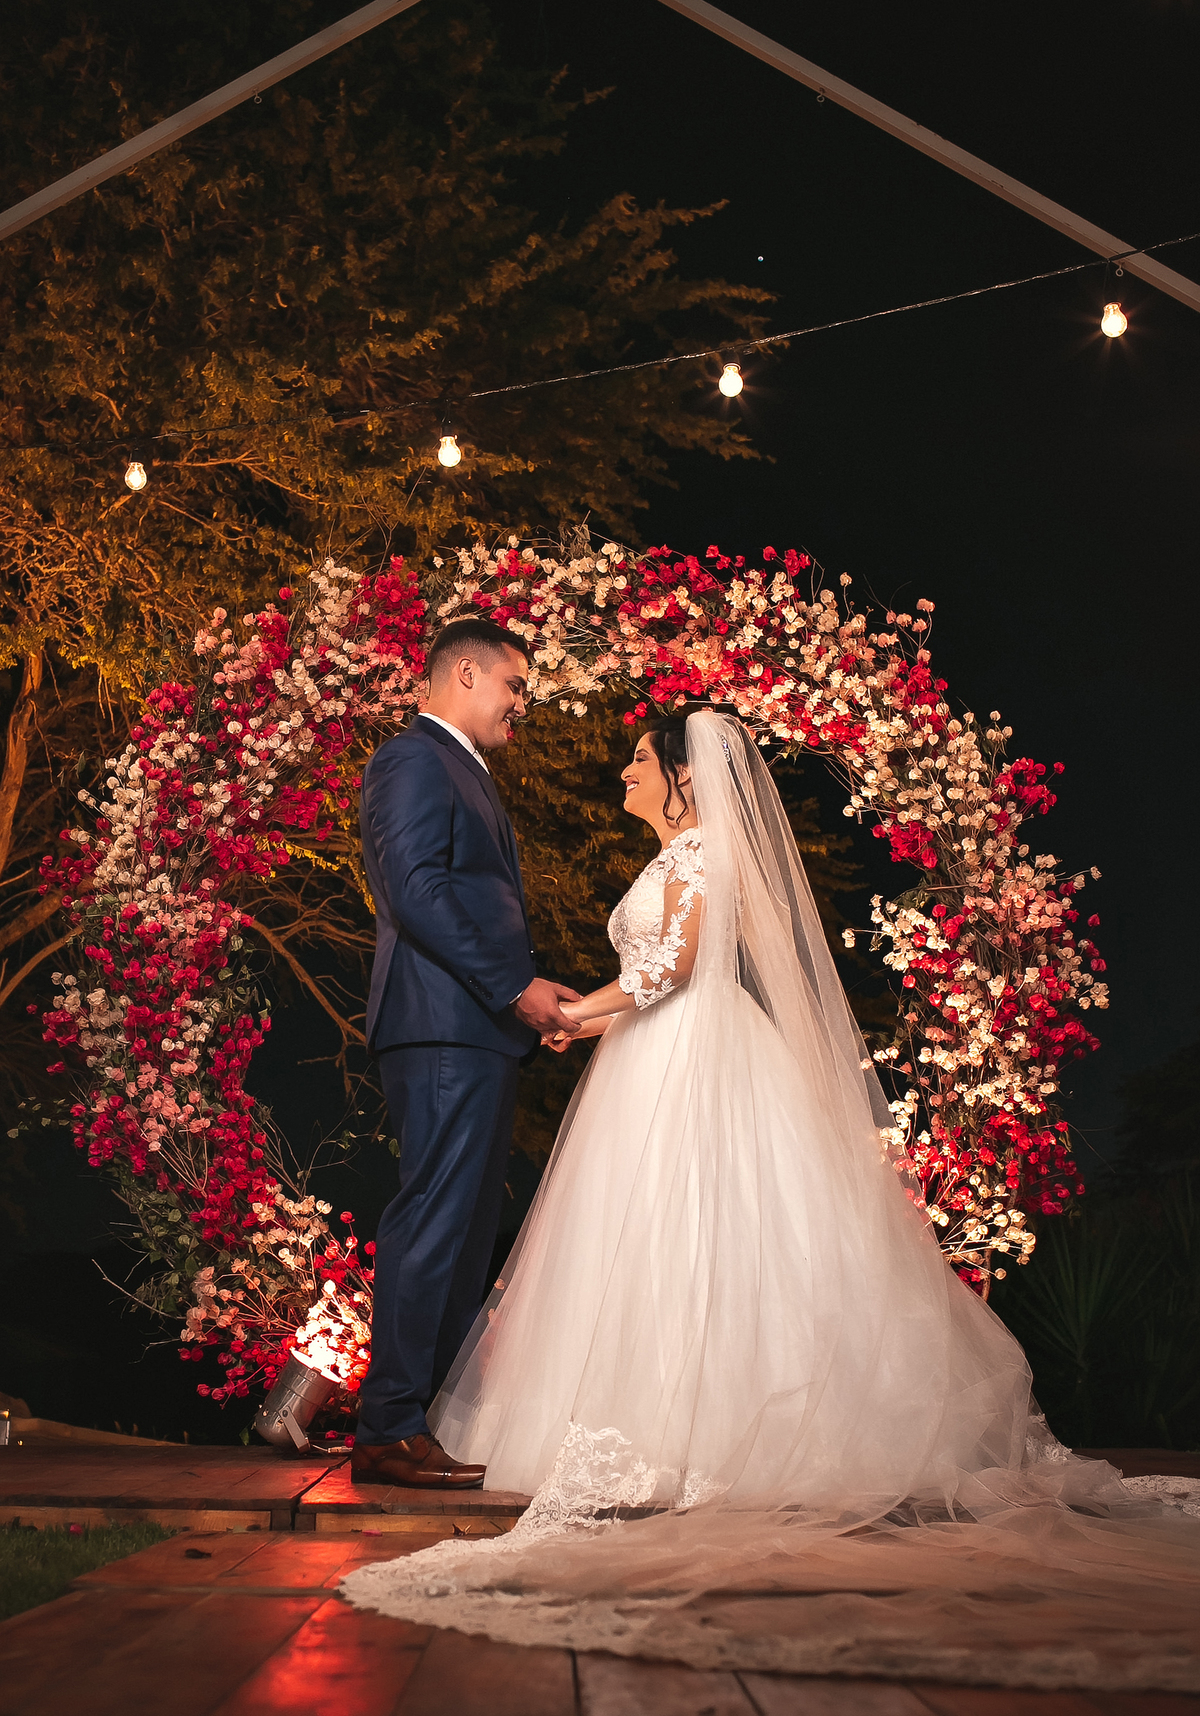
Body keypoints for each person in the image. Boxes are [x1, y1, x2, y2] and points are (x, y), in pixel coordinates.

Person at [343, 710, 1200, 1666]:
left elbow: (670, 969)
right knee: (646, 1244)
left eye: (639, 760)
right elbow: (658, 976)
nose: (623, 773)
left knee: (704, 1232)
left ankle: (703, 1433)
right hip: (651, 1055)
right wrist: (583, 1021)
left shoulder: (703, 852)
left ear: (684, 776)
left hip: (694, 1061)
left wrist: (575, 1011)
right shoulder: (678, 855)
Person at [352, 618, 581, 1490]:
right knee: (434, 1221)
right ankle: (388, 1428)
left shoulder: (463, 769)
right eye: (515, 686)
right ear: (467, 674)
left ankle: (425, 1423)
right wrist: (513, 986)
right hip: (445, 1025)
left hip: (477, 1028)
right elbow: (414, 890)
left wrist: (525, 993)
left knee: (465, 1229)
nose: (522, 704)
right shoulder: (413, 759)